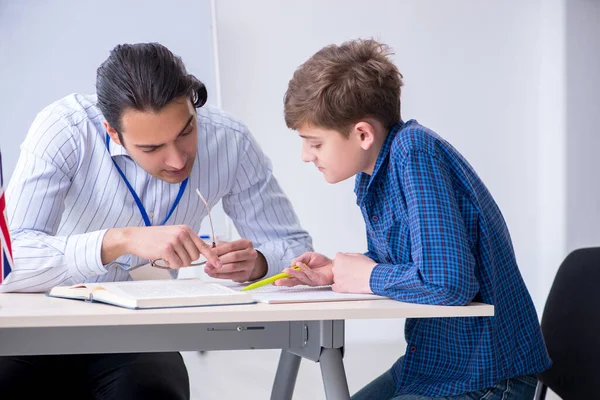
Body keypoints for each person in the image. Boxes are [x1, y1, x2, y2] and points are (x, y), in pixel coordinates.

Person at [0, 42, 312, 399]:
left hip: (138, 332)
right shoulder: (65, 129)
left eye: (186, 132)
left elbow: (297, 250)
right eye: (151, 149)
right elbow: (9, 263)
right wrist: (120, 240)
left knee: (152, 392)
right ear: (112, 132)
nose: (178, 161)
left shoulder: (230, 141)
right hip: (41, 320)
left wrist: (258, 263)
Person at [278, 38, 551, 399]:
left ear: (362, 133)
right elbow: (412, 266)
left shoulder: (414, 152)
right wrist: (337, 270)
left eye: (315, 143)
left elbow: (449, 284)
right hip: (431, 366)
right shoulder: (371, 174)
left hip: (486, 377)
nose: (305, 155)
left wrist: (368, 276)